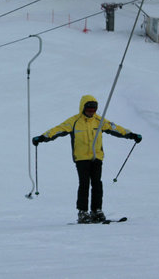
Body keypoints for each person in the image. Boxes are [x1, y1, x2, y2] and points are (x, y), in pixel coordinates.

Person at [32, 94, 142, 224]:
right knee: (84, 184)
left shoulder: (99, 121)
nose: (91, 112)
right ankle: (82, 212)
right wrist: (43, 137)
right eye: (89, 109)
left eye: (93, 110)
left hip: (97, 158)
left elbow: (115, 128)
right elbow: (58, 130)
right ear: (83, 108)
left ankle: (96, 211)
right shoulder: (74, 121)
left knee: (97, 184)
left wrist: (131, 135)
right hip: (81, 158)